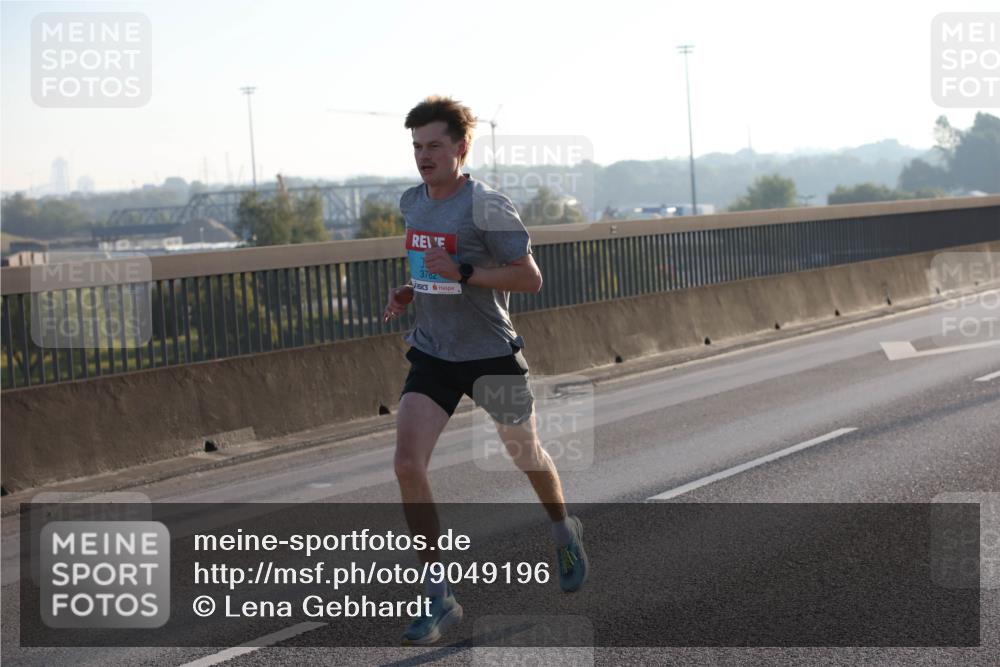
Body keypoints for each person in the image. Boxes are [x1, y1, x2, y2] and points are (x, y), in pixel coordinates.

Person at [383, 95, 588, 646]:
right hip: (434, 352)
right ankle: (437, 593)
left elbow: (529, 279)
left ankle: (564, 530)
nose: (424, 157)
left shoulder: (488, 206)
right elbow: (433, 268)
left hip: (489, 353)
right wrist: (413, 290)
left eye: (434, 146)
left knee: (527, 455)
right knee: (406, 463)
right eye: (417, 147)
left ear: (461, 147)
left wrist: (467, 271)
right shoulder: (412, 201)